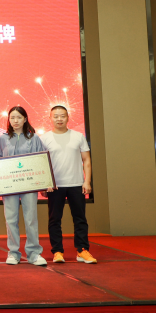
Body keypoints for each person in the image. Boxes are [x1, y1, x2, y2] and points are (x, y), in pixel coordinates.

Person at [40, 105, 97, 264]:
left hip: (76, 184)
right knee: (54, 220)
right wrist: (45, 184)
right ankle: (57, 251)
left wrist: (87, 181)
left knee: (80, 219)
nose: (59, 119)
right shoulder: (44, 139)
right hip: (55, 186)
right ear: (50, 118)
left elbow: (86, 160)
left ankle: (82, 250)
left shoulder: (78, 136)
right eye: (56, 116)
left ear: (68, 117)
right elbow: (41, 163)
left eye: (62, 116)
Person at [0, 106, 47, 266]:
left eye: (19, 117)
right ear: (9, 120)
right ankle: (13, 253)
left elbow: (41, 160)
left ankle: (34, 253)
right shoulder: (3, 138)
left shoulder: (34, 138)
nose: (15, 121)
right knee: (11, 219)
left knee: (31, 218)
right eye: (12, 117)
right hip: (9, 186)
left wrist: (44, 183)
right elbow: (0, 159)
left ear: (25, 119)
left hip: (29, 184)